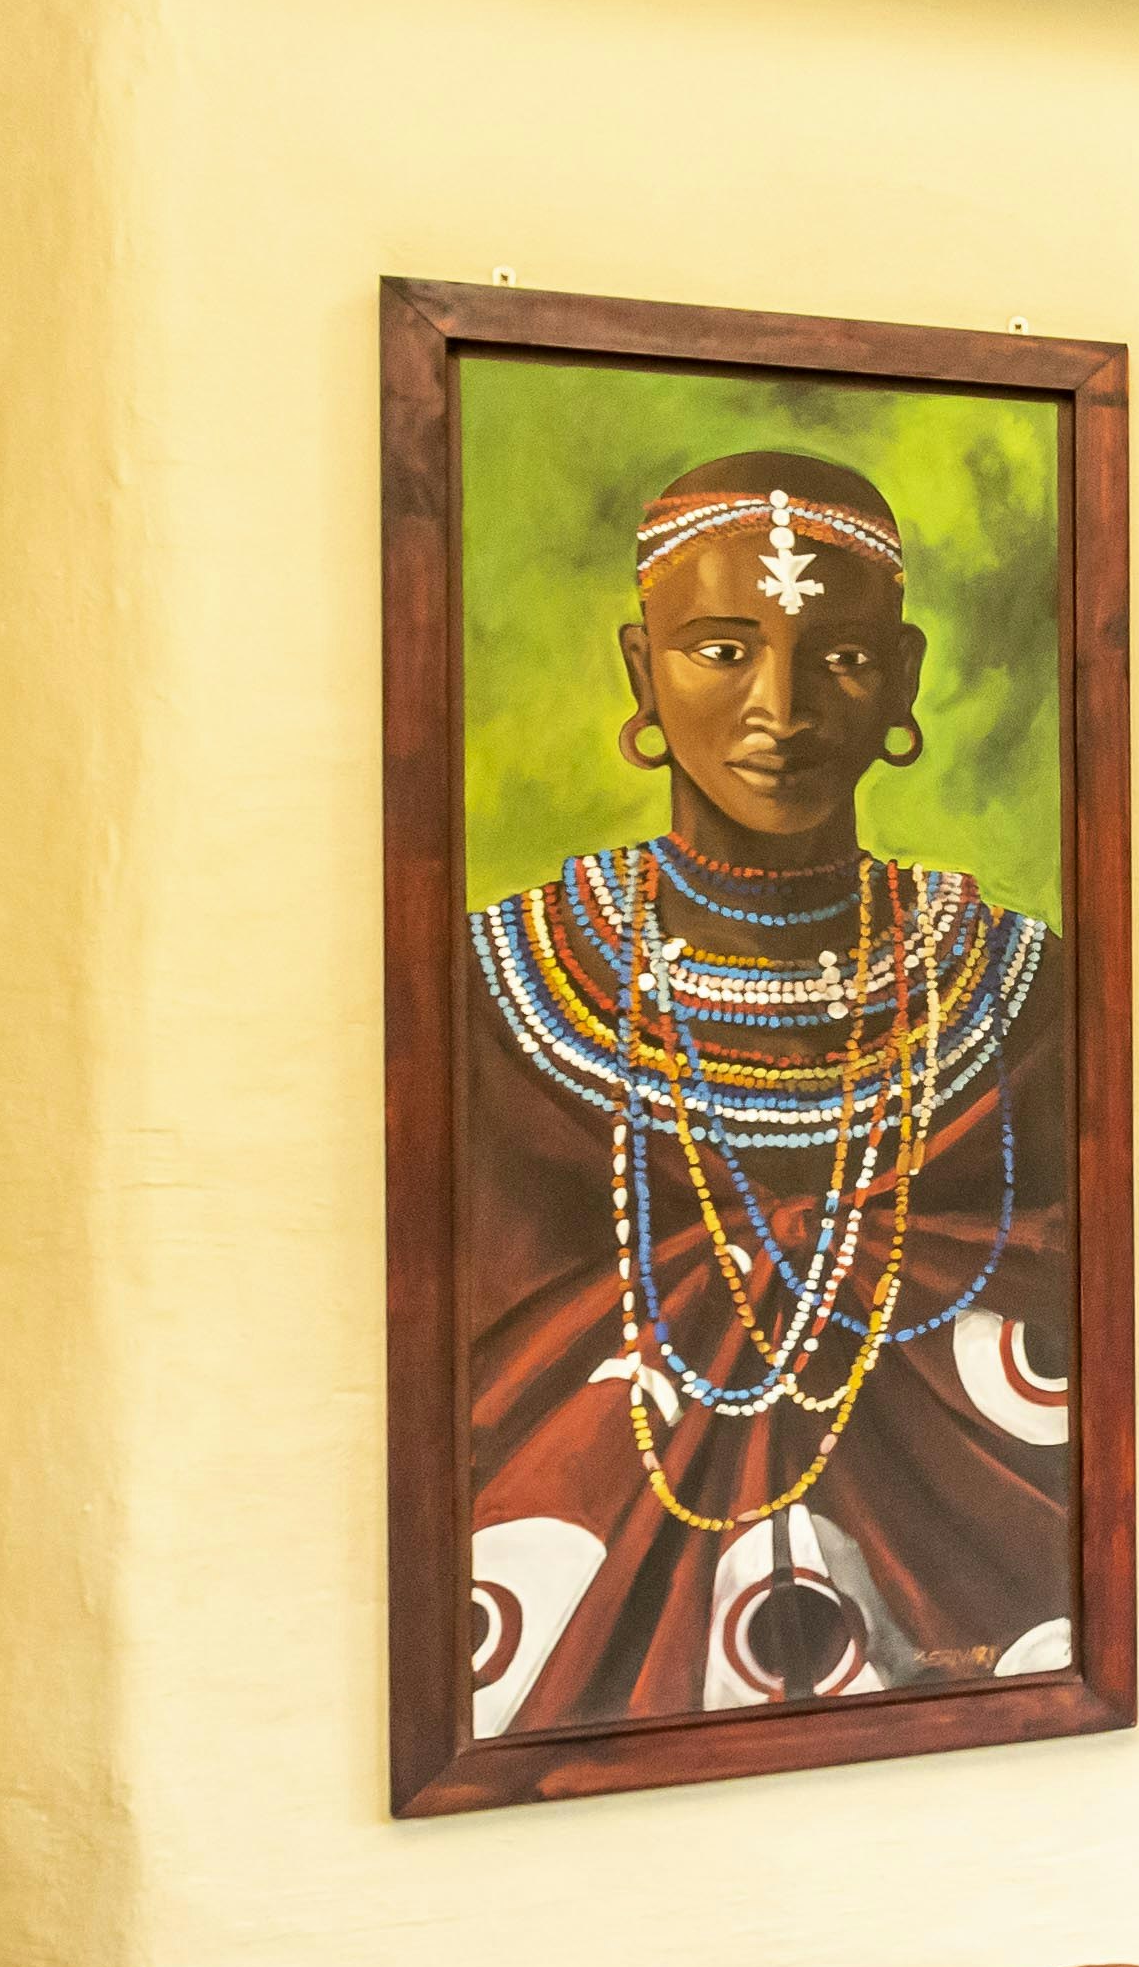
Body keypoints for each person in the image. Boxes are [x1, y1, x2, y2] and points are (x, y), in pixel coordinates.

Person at [450, 448, 1075, 1734]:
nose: (778, 707)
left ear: (902, 678)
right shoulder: (491, 992)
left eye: (839, 656)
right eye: (721, 650)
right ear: (642, 670)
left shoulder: (1025, 993)